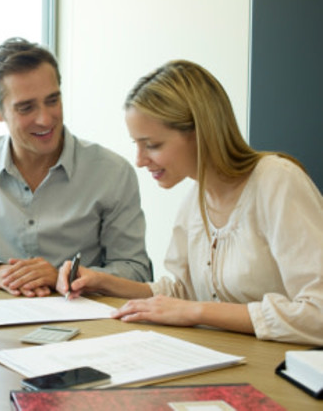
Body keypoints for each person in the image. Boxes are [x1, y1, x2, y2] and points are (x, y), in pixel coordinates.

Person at [57, 59, 323, 346]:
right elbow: (182, 291)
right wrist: (103, 282)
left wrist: (197, 312)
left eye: (153, 145)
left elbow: (317, 314)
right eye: (137, 144)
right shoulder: (195, 200)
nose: (139, 160)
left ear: (200, 132)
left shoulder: (277, 181)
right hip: (229, 358)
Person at [0, 37, 152, 297]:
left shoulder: (112, 172)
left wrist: (63, 276)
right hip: (1, 316)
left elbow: (136, 271)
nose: (45, 119)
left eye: (53, 100)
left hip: (88, 319)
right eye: (26, 108)